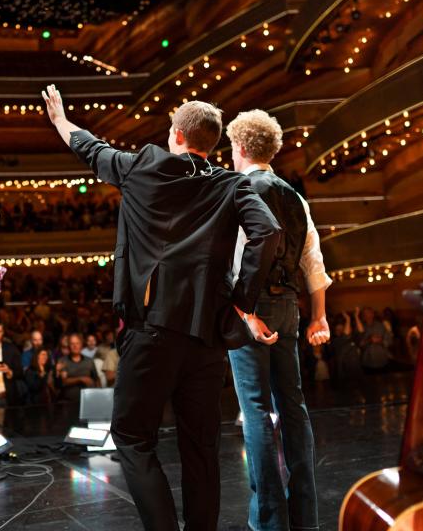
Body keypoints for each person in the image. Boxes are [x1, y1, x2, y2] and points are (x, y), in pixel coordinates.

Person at [43, 84, 280, 531]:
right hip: (207, 337)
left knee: (132, 438)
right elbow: (267, 233)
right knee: (201, 447)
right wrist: (240, 302)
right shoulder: (232, 184)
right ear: (212, 143)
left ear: (175, 134)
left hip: (151, 331)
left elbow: (91, 148)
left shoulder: (142, 168)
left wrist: (60, 121)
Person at [225, 109, 332, 531]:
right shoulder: (294, 195)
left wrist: (245, 313)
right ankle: (305, 517)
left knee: (254, 412)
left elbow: (238, 261)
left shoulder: (238, 190)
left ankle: (269, 519)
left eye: (232, 147)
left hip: (252, 311)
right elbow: (313, 261)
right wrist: (318, 317)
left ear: (241, 147)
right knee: (293, 408)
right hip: (290, 307)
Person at [55, 333, 100, 402]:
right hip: (69, 401)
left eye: (77, 343)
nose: (75, 346)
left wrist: (98, 394)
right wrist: (80, 379)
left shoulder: (89, 361)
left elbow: (96, 379)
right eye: (72, 344)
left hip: (88, 400)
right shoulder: (63, 361)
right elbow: (63, 381)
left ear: (81, 345)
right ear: (69, 346)